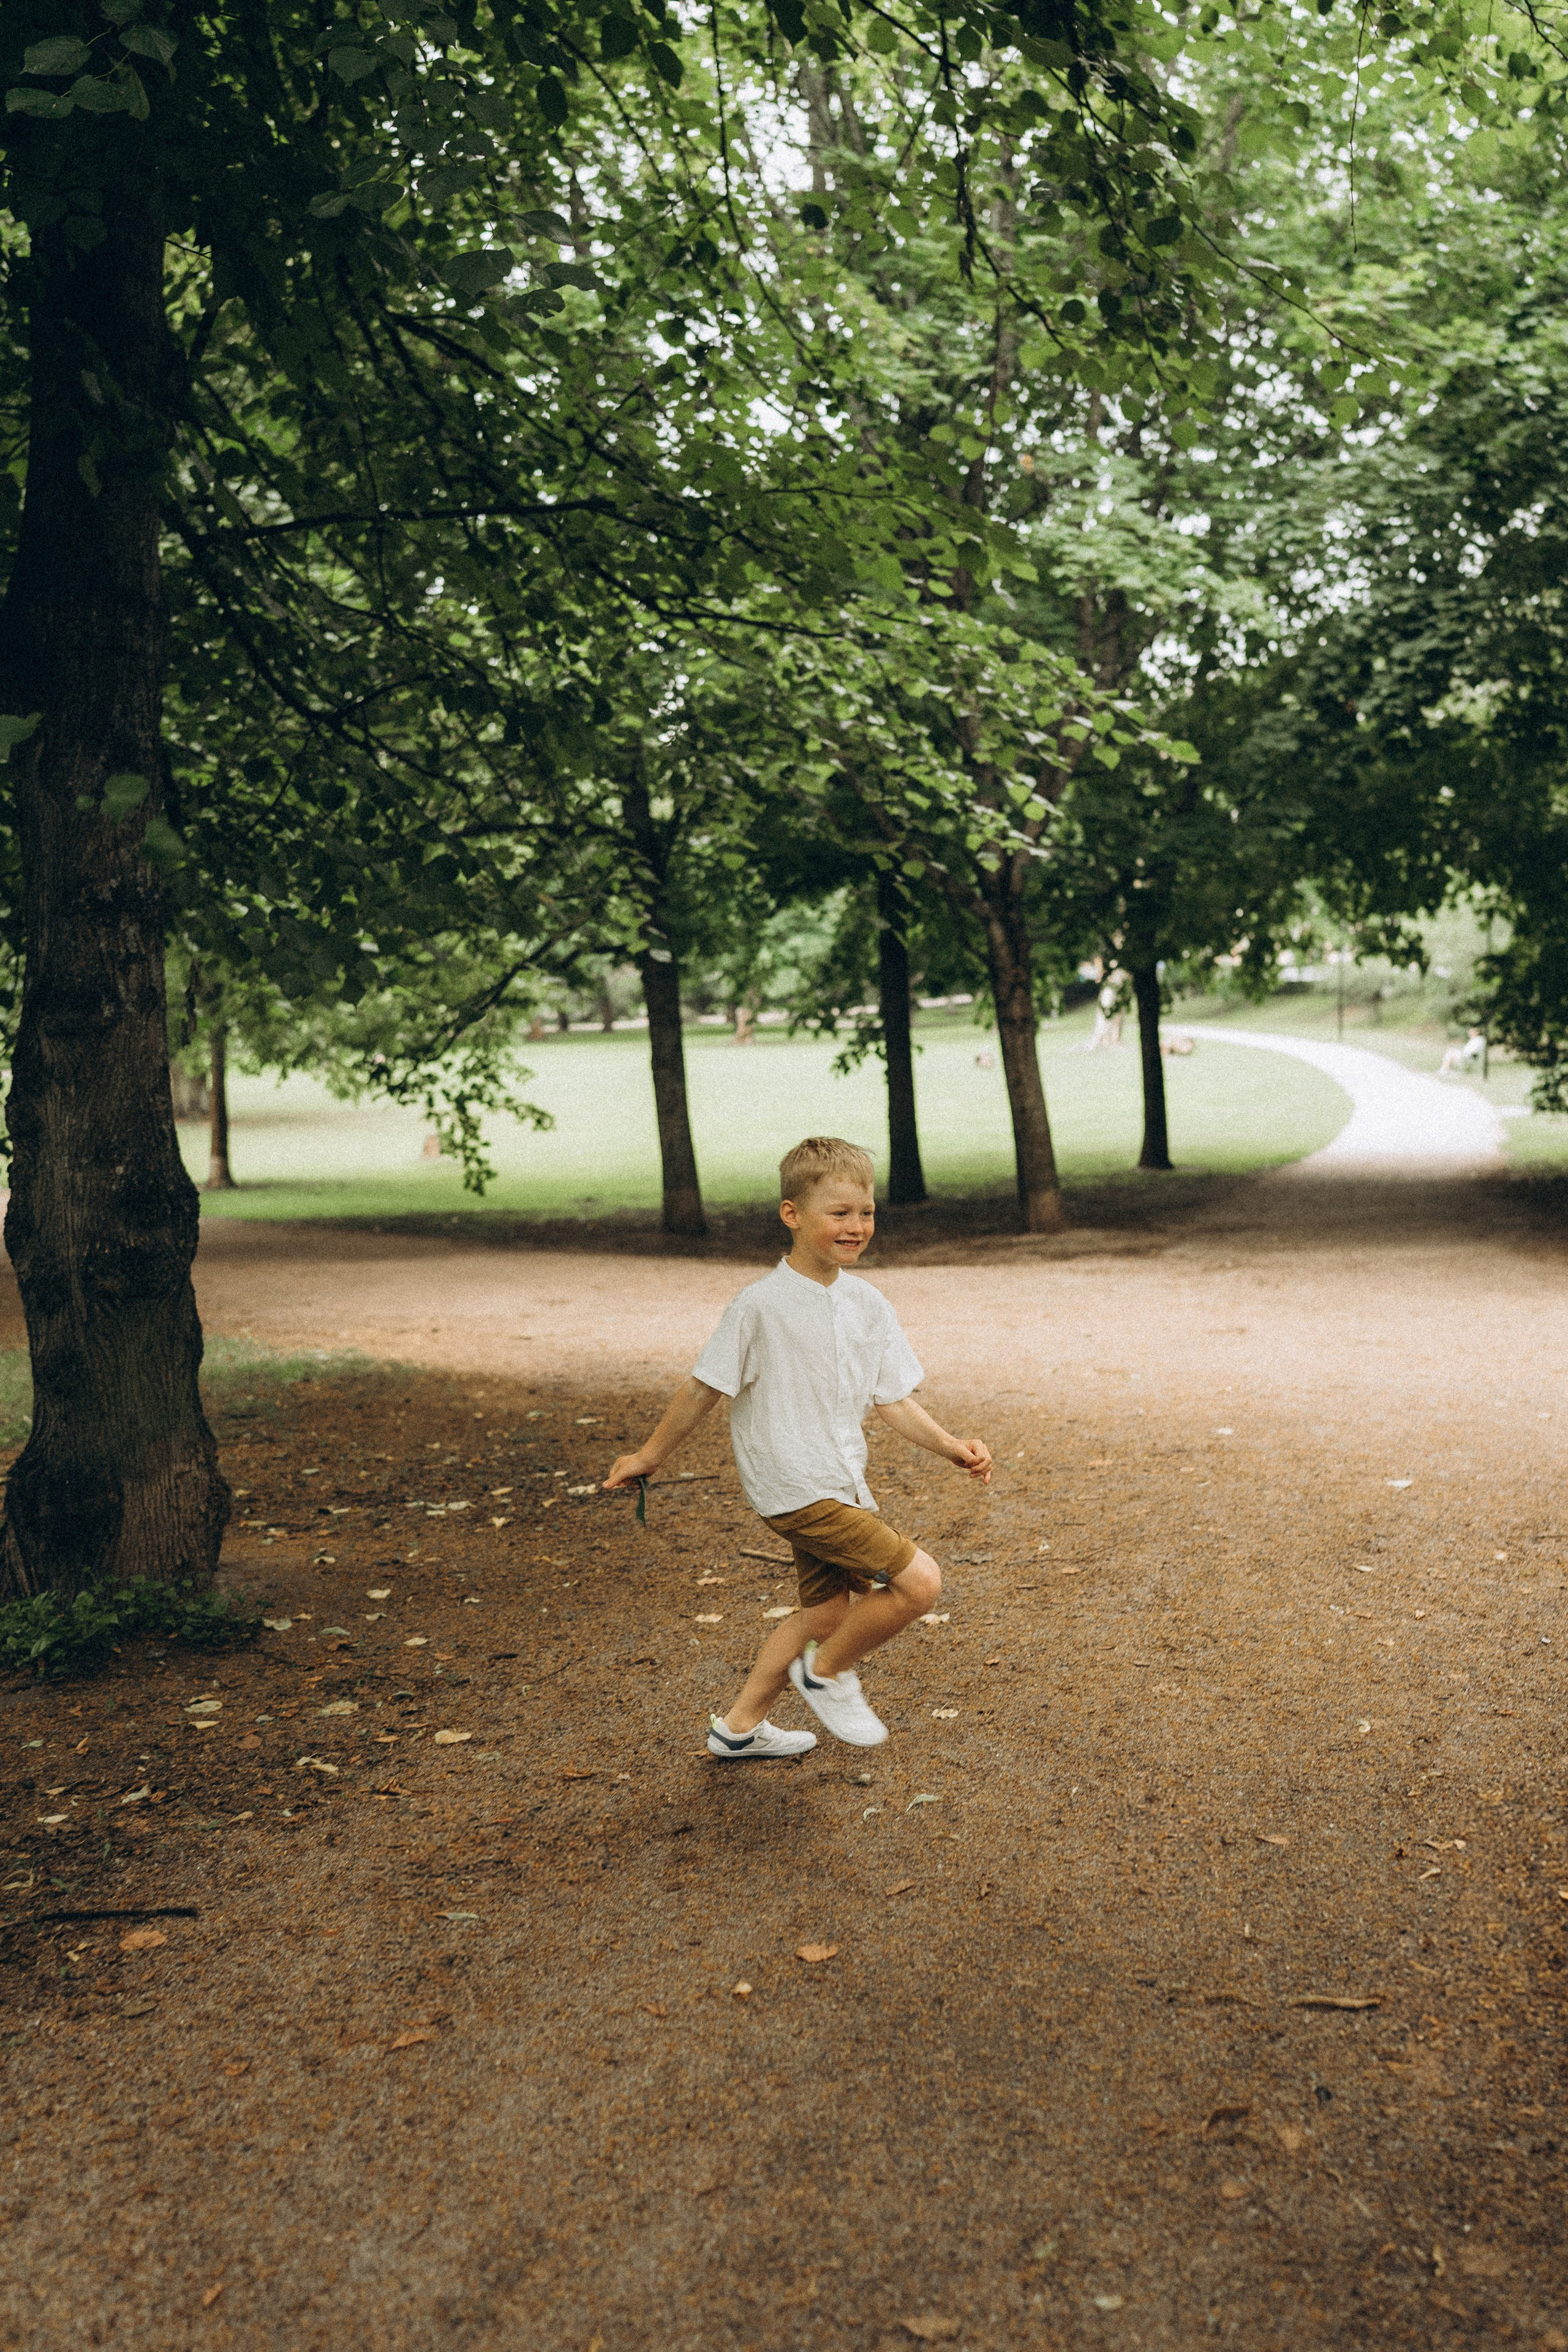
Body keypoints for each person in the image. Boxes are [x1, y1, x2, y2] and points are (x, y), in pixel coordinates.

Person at [603, 1136, 992, 1759]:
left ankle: (738, 1729)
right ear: (792, 1215)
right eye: (838, 1213)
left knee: (823, 1615)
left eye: (865, 1212)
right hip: (792, 1485)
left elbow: (890, 1399)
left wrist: (952, 1447)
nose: (856, 1226)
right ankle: (825, 1674)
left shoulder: (867, 1304)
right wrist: (649, 1456)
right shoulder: (758, 1307)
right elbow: (704, 1387)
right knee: (919, 1584)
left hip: (838, 1481)